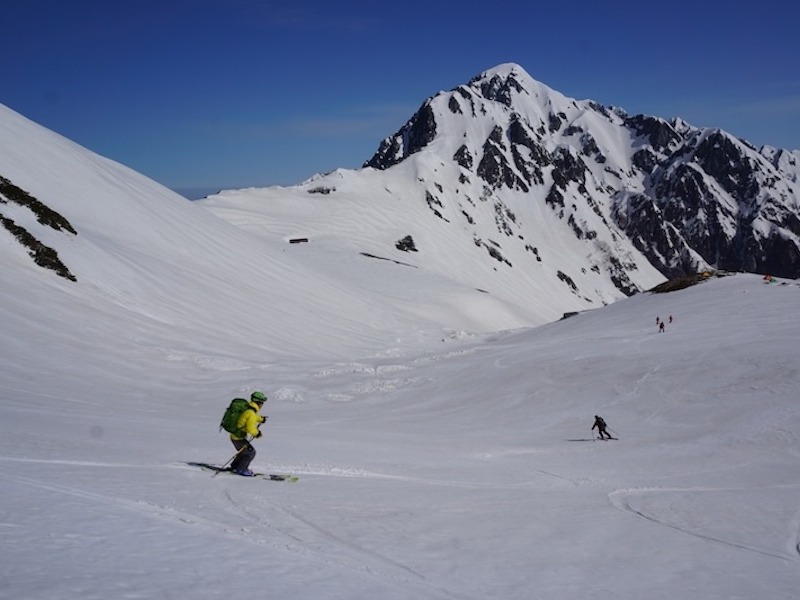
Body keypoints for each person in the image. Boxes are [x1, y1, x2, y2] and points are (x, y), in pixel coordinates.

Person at [229, 391, 268, 476]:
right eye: (262, 403)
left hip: (235, 436)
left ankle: (235, 466)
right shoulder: (251, 413)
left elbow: (252, 417)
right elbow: (251, 427)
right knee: (251, 453)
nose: (262, 405)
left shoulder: (249, 409)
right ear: (259, 403)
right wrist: (257, 434)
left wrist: (261, 419)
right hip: (238, 438)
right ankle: (241, 469)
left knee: (243, 451)